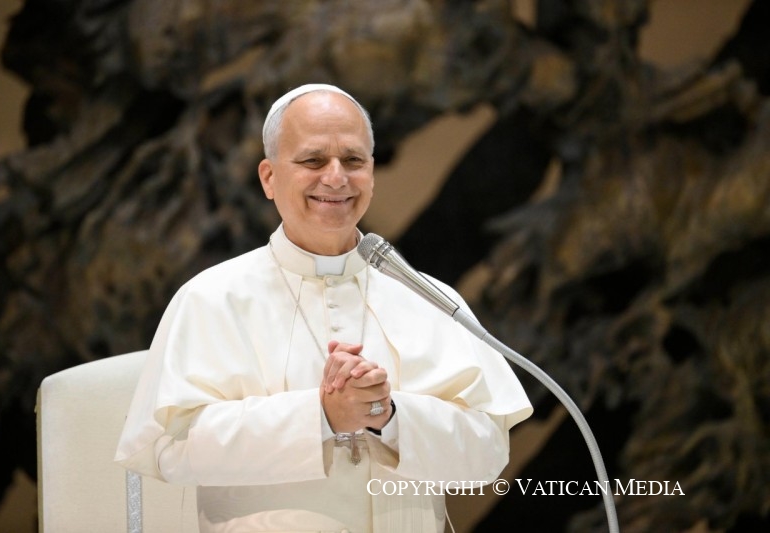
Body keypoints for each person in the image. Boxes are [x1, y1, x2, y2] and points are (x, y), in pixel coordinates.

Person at [115, 83, 532, 533]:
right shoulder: (211, 298)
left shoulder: (430, 299)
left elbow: (489, 453)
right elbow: (171, 448)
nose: (336, 178)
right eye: (313, 161)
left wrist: (388, 416)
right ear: (269, 177)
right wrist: (320, 416)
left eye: (353, 160)